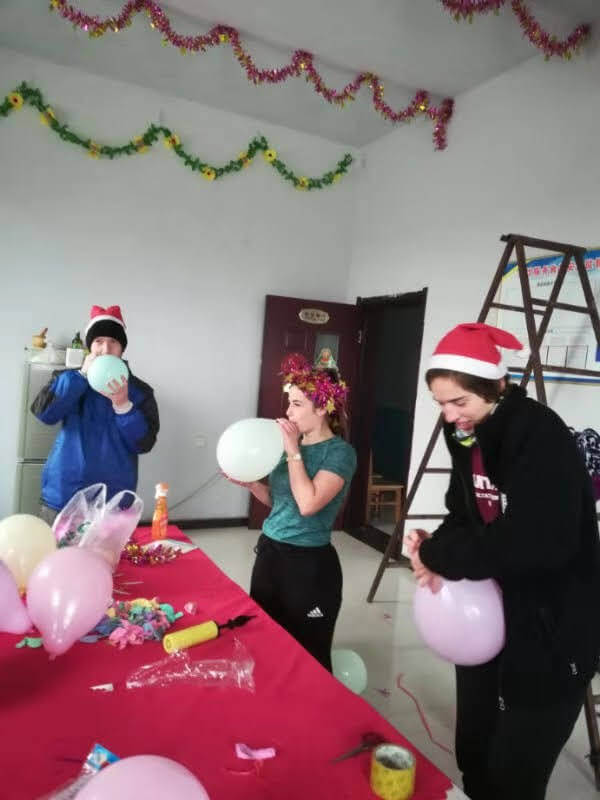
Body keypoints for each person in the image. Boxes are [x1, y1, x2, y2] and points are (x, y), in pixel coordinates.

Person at [405, 322, 600, 800]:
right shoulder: (466, 432)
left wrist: (438, 554)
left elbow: (537, 543)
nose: (451, 417)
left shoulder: (540, 436)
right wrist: (435, 548)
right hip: (487, 618)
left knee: (516, 776)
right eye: (441, 404)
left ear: (497, 387)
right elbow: (463, 509)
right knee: (475, 753)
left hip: (552, 626)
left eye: (460, 402)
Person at [225, 353, 357, 671]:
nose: (287, 412)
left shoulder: (339, 453)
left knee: (309, 652)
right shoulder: (288, 450)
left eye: (297, 404)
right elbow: (282, 501)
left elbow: (308, 505)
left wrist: (294, 451)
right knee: (265, 637)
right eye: (289, 402)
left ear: (323, 407)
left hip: (309, 564)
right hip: (271, 552)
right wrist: (254, 486)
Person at [31, 305, 159, 524]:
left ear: (122, 349)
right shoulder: (69, 378)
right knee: (56, 556)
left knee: (105, 559)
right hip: (64, 493)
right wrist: (80, 376)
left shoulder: (140, 391)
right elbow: (44, 413)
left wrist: (123, 405)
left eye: (113, 342)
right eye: (99, 341)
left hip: (113, 499)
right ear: (90, 346)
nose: (106, 349)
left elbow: (144, 444)